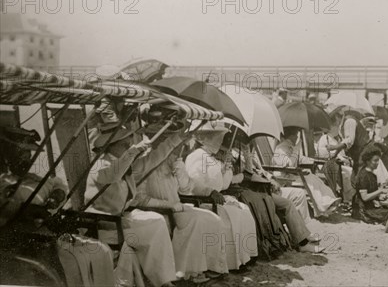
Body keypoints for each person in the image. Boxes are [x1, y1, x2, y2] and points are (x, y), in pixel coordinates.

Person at [0, 126, 115, 287]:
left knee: (101, 250)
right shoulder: (5, 183)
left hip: (46, 233)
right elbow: (11, 210)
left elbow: (58, 186)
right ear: (8, 155)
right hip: (21, 239)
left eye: (28, 153)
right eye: (21, 153)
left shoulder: (33, 178)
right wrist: (32, 212)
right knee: (71, 262)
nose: (27, 158)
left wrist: (56, 196)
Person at [85, 123, 183, 287]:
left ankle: (163, 279)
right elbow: (113, 175)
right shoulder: (100, 165)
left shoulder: (124, 163)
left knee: (157, 221)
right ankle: (162, 281)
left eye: (129, 143)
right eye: (125, 144)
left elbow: (153, 159)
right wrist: (133, 151)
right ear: (111, 146)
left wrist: (176, 138)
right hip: (103, 224)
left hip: (118, 219)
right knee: (152, 228)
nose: (128, 146)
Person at [132, 123, 230, 283]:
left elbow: (186, 188)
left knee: (213, 219)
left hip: (178, 207)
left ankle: (210, 267)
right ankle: (185, 271)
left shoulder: (174, 161)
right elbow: (140, 198)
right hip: (158, 210)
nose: (177, 148)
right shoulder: (144, 164)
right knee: (195, 221)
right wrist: (168, 205)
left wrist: (180, 171)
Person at [184, 123, 259, 268]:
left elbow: (223, 185)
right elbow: (193, 184)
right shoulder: (196, 157)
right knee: (235, 214)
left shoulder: (212, 158)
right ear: (205, 138)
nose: (219, 141)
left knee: (244, 210)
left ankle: (246, 256)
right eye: (216, 137)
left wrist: (226, 169)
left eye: (221, 137)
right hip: (202, 200)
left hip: (216, 199)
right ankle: (233, 261)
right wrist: (210, 192)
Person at [272, 127, 341, 216]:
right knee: (311, 181)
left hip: (292, 174)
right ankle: (323, 205)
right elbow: (288, 164)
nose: (297, 138)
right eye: (295, 136)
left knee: (315, 178)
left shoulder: (289, 147)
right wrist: (296, 149)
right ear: (291, 136)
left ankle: (329, 200)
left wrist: (312, 160)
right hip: (284, 176)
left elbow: (299, 159)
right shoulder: (280, 148)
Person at [351, 149, 388, 224]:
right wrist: (380, 191)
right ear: (367, 161)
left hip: (370, 205)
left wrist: (380, 196)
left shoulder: (372, 174)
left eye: (378, 160)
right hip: (363, 208)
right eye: (375, 161)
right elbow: (365, 197)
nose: (377, 163)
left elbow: (372, 193)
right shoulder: (364, 175)